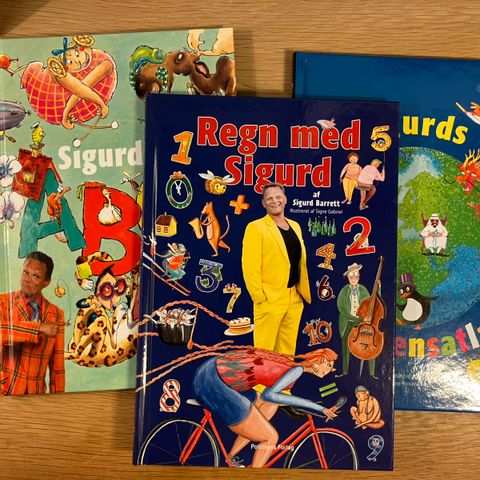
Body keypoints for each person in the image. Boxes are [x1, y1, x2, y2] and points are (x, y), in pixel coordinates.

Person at [192, 347, 338, 468]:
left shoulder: (291, 365)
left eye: (331, 367)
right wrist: (319, 408)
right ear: (319, 361)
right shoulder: (297, 370)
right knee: (271, 438)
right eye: (328, 365)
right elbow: (271, 394)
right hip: (213, 384)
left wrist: (299, 404)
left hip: (209, 373)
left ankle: (230, 457)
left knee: (268, 407)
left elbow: (269, 396)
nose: (329, 370)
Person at [242, 183, 311, 356]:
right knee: (264, 353)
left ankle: (285, 376)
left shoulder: (295, 226)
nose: (275, 201)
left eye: (278, 197)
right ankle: (261, 378)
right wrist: (259, 297)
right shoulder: (255, 227)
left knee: (287, 353)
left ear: (285, 199)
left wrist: (299, 294)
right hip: (269, 298)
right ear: (263, 203)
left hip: (294, 297)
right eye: (269, 198)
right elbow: (250, 266)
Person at [0, 251, 64, 396]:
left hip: (37, 396)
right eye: (25, 273)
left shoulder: (57, 314)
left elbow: (57, 368)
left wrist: (59, 401)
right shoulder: (3, 302)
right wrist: (39, 327)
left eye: (36, 276)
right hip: (5, 393)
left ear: (46, 282)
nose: (27, 280)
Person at [336, 263, 377, 379]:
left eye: (356, 275)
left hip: (362, 322)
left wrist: (378, 288)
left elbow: (370, 304)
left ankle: (371, 373)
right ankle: (345, 372)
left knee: (369, 343)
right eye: (351, 275)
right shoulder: (344, 290)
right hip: (348, 322)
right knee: (345, 345)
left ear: (359, 276)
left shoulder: (363, 290)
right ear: (348, 277)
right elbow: (341, 307)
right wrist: (352, 317)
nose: (354, 277)